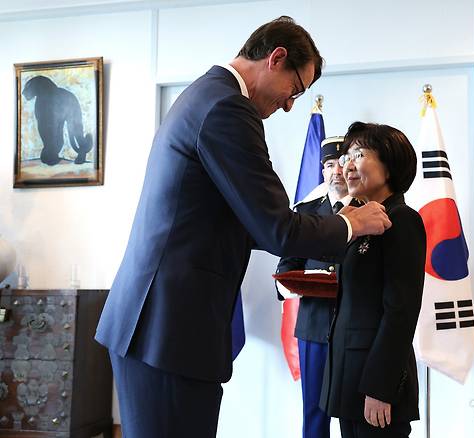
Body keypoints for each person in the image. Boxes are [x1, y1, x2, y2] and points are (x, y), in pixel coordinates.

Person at [94, 17, 391, 438]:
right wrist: (349, 223)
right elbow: (276, 229)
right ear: (276, 58)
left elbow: (246, 222)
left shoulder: (206, 94)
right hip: (167, 329)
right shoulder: (228, 108)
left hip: (159, 325)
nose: (289, 105)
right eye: (295, 89)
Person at [320, 122, 426, 438]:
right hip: (349, 377)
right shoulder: (359, 221)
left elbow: (401, 312)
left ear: (389, 166)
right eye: (346, 157)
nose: (347, 166)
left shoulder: (402, 220)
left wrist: (381, 387)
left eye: (359, 154)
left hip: (377, 387)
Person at [276, 135, 362, 438]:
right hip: (314, 329)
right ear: (322, 170)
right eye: (329, 164)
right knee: (314, 414)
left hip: (356, 332)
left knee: (355, 416)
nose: (336, 171)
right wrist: (297, 285)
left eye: (343, 162)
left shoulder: (371, 209)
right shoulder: (305, 213)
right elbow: (286, 267)